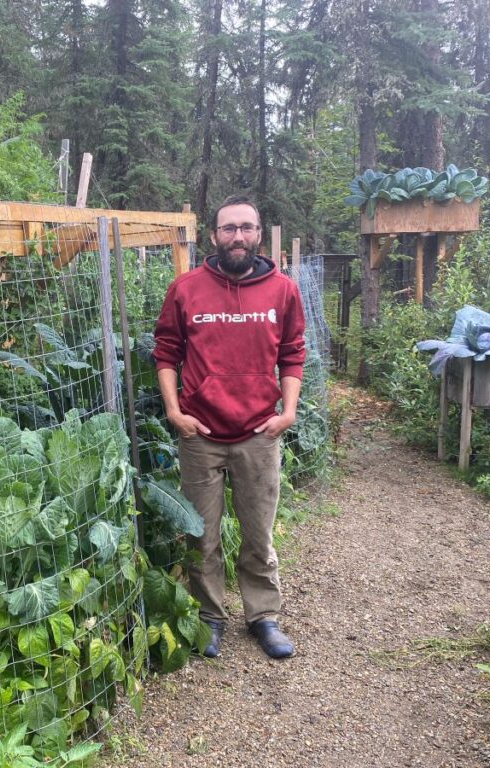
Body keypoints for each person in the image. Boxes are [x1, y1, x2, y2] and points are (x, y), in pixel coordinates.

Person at [152, 194, 306, 659]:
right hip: (200, 435)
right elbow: (166, 352)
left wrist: (289, 412)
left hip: (260, 432)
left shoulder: (282, 290)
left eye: (245, 227)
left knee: (258, 532)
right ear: (214, 236)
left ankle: (263, 616)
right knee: (203, 534)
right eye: (227, 229)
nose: (236, 236)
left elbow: (293, 352)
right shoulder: (187, 289)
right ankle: (209, 617)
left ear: (259, 234)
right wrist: (176, 413)